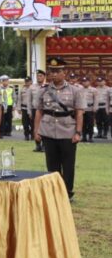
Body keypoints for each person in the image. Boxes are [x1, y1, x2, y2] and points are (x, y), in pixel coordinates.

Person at [34, 56, 85, 202]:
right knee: (52, 163)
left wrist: (78, 132)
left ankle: (67, 192)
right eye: (52, 71)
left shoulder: (75, 90)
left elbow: (79, 113)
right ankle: (53, 191)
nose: (54, 74)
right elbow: (39, 111)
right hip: (48, 130)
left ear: (64, 72)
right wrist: (36, 131)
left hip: (68, 131)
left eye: (57, 71)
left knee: (68, 164)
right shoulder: (43, 90)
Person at [30, 70, 48, 152]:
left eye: (41, 76)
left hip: (45, 110)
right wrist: (29, 111)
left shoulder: (48, 87)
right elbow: (29, 100)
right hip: (34, 109)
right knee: (35, 128)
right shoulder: (32, 87)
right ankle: (37, 145)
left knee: (44, 128)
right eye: (37, 76)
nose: (39, 77)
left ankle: (44, 145)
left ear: (44, 77)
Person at [80, 76, 97, 142]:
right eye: (83, 82)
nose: (85, 83)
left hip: (90, 108)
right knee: (83, 124)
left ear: (89, 82)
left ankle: (90, 137)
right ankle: (84, 137)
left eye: (86, 81)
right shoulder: (80, 90)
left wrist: (95, 108)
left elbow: (96, 99)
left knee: (90, 124)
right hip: (82, 109)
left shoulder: (93, 90)